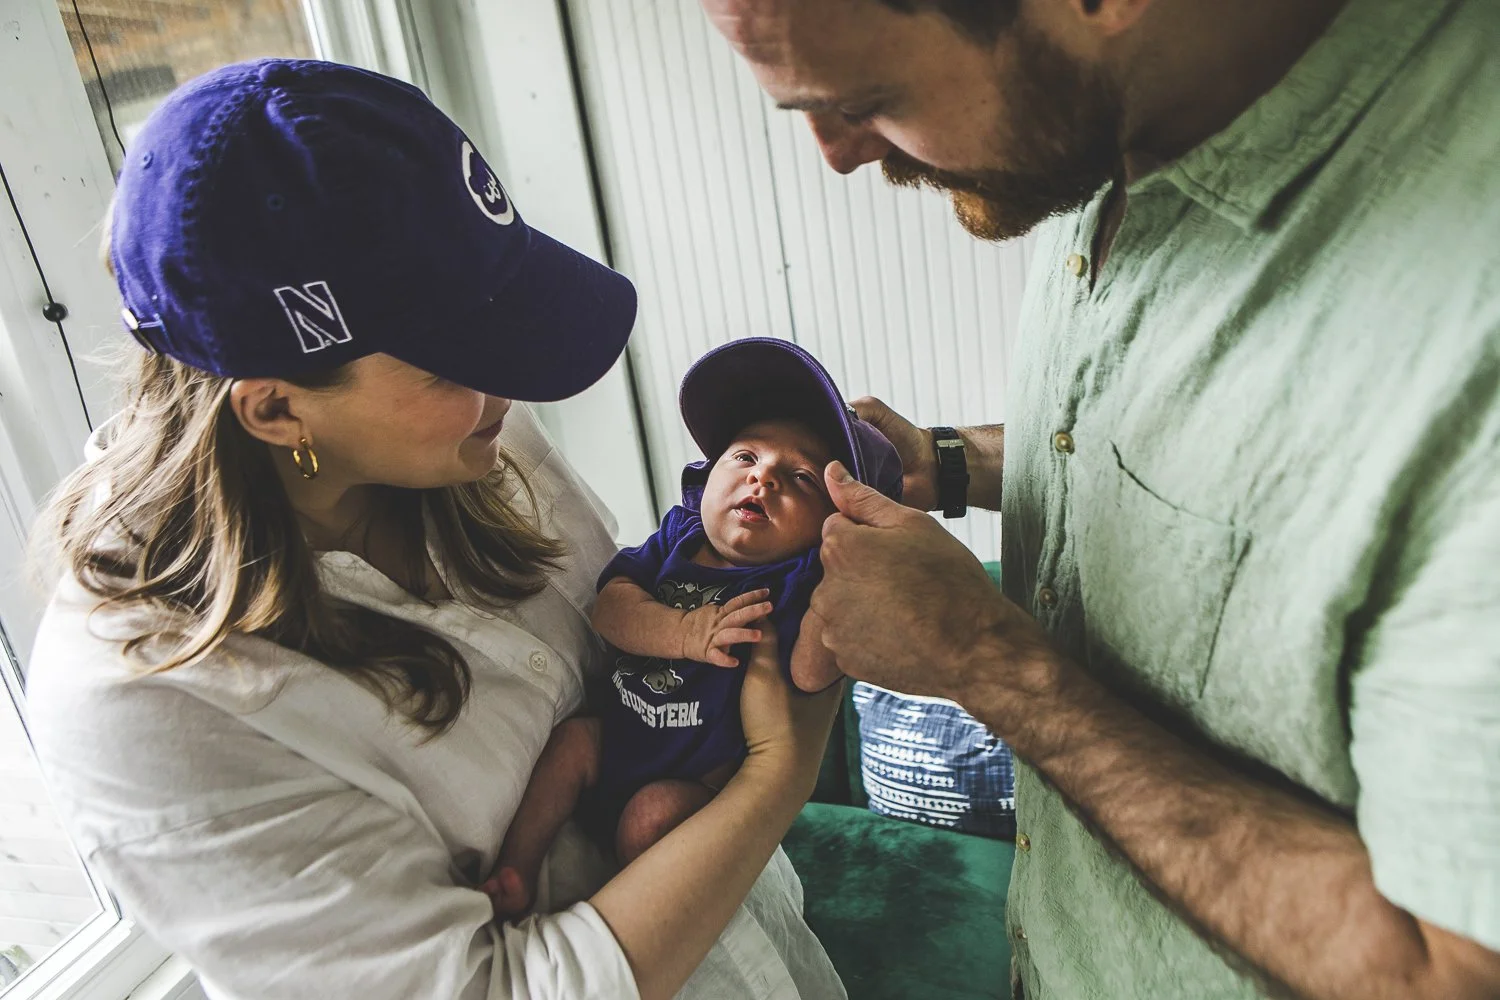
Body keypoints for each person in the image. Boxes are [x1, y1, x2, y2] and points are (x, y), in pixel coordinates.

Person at [701, 0, 1500, 998]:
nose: (838, 155)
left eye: (867, 100)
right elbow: (1191, 439)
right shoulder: (1103, 113)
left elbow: (1450, 970)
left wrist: (982, 662)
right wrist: (950, 461)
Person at [25, 59, 846, 1000]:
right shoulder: (150, 701)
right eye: (458, 360)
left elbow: (628, 656)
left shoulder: (469, 440)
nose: (511, 386)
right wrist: (781, 771)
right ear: (277, 412)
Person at [487, 339, 902, 916]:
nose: (764, 479)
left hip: (693, 784)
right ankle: (517, 868)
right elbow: (610, 608)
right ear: (704, 477)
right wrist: (685, 633)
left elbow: (809, 675)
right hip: (613, 743)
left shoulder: (799, 581)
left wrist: (845, 589)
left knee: (650, 818)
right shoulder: (679, 537)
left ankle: (624, 917)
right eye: (745, 457)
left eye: (803, 477)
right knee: (571, 741)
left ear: (832, 527)